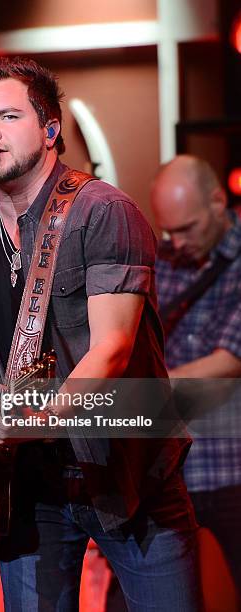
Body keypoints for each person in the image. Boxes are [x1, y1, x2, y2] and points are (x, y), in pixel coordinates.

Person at [0, 58, 201, 611]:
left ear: (51, 130)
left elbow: (112, 350)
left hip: (128, 472)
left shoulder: (104, 213)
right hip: (24, 485)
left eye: (7, 115)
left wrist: (33, 419)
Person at [151, 155, 241, 596]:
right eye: (169, 231)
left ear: (218, 201)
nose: (177, 241)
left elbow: (229, 360)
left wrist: (143, 393)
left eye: (186, 228)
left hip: (231, 463)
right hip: (170, 465)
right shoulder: (161, 260)